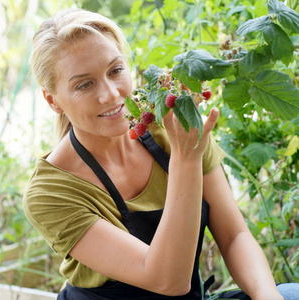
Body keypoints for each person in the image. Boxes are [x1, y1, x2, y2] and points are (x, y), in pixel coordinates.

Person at [23, 8, 299, 300]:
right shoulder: (50, 191)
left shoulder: (172, 130)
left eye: (115, 70)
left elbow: (234, 237)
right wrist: (185, 160)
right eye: (84, 84)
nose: (111, 94)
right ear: (52, 100)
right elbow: (168, 281)